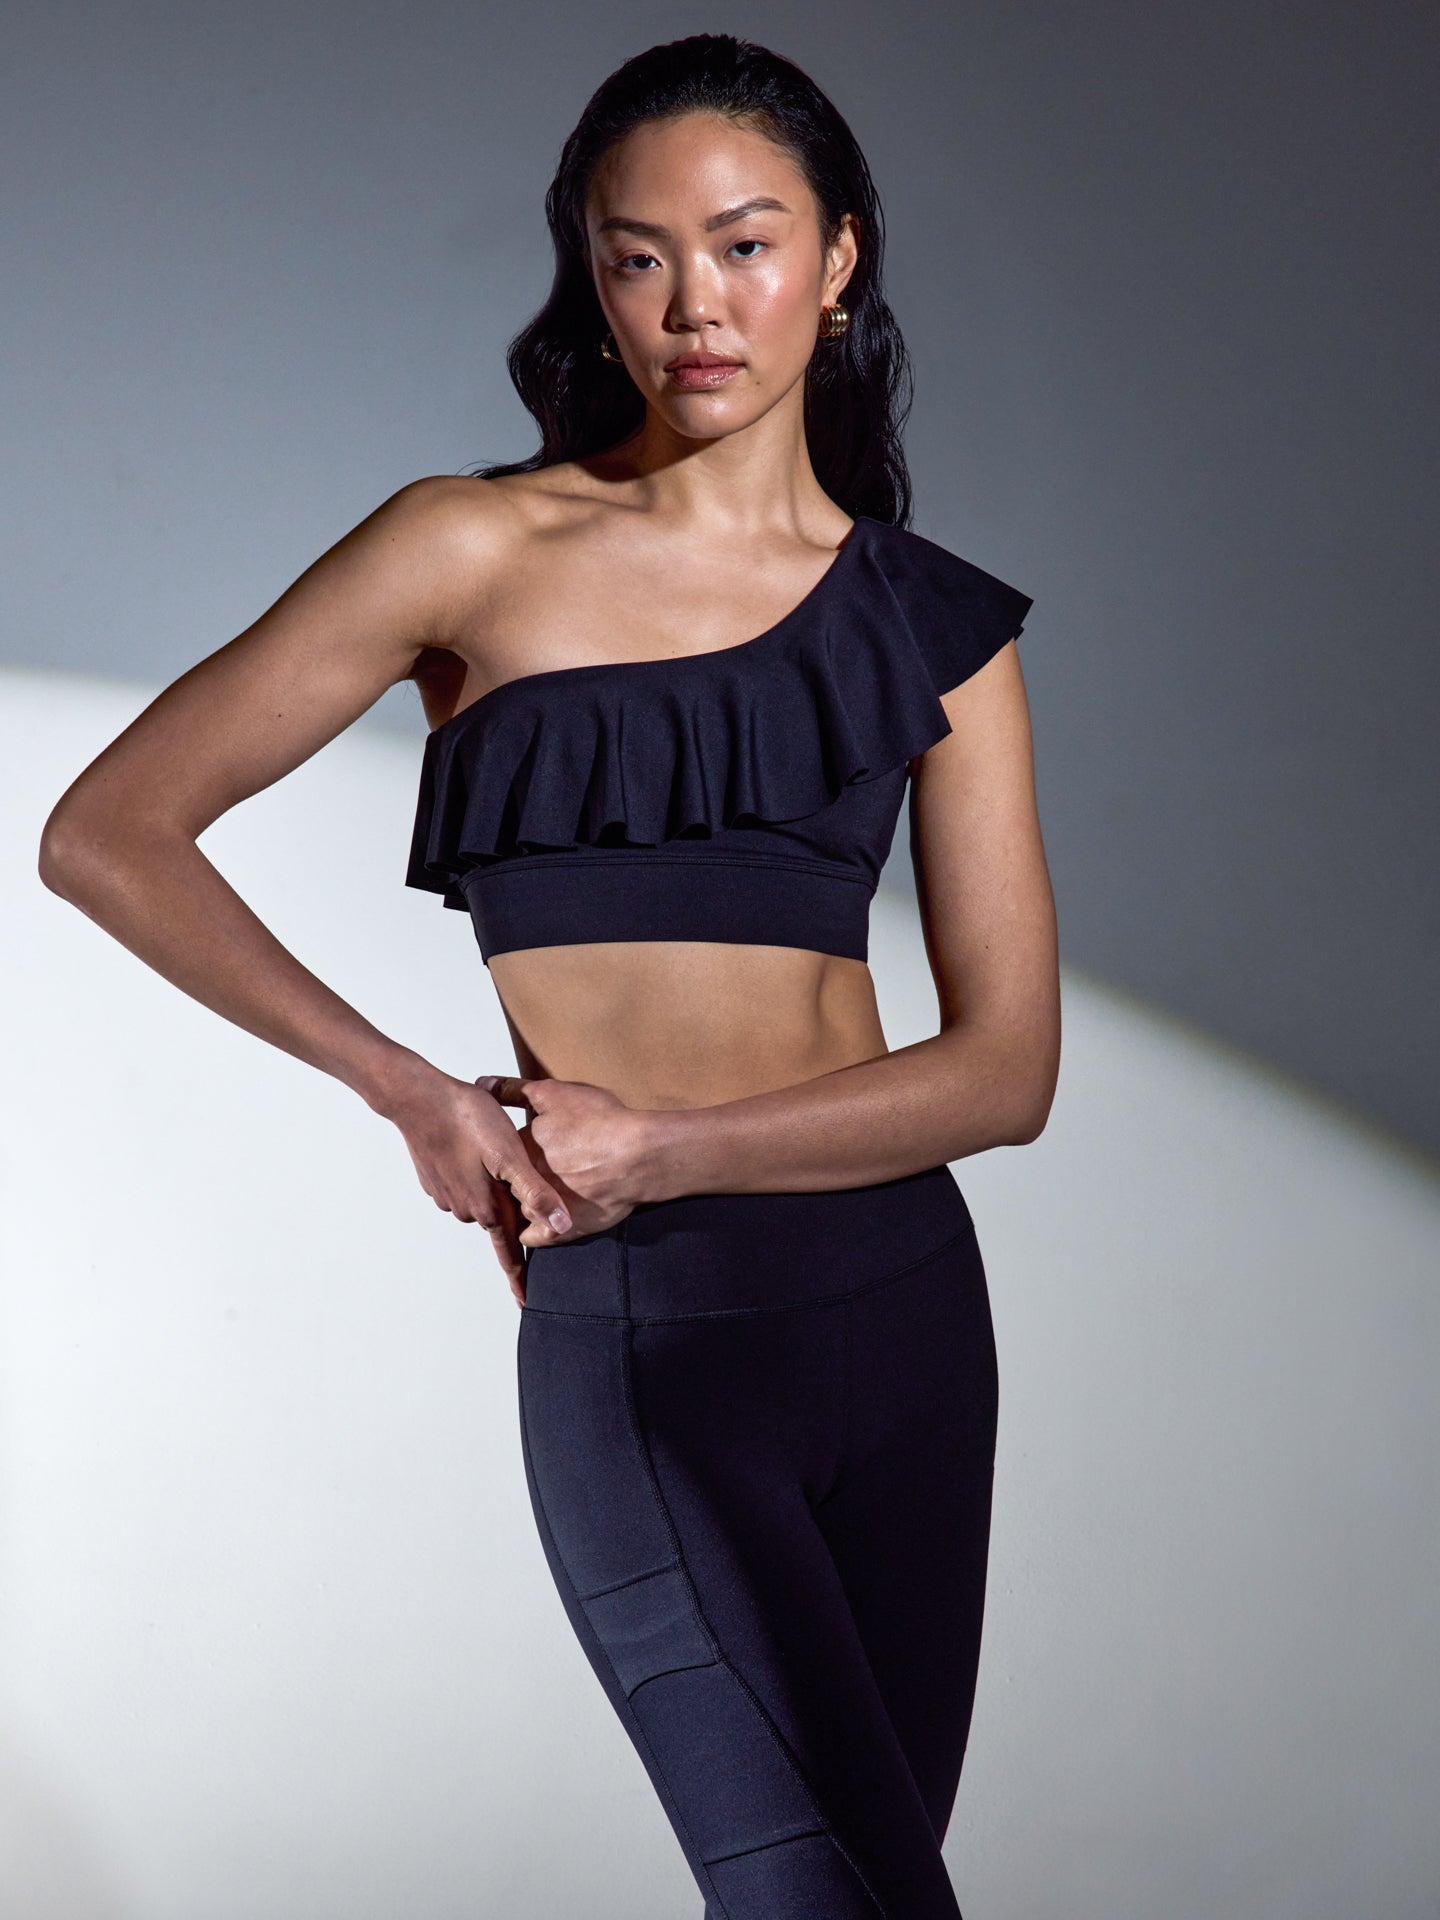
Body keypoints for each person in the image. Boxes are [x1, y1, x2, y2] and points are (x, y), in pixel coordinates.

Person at [38, 31, 1059, 1920]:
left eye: (745, 245)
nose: (693, 304)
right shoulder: (470, 545)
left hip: (910, 1320)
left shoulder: (933, 623)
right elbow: (109, 830)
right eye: (636, 251)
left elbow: (1006, 1074)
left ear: (840, 262)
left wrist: (656, 1144)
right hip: (651, 1343)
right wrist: (411, 1090)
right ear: (588, 271)